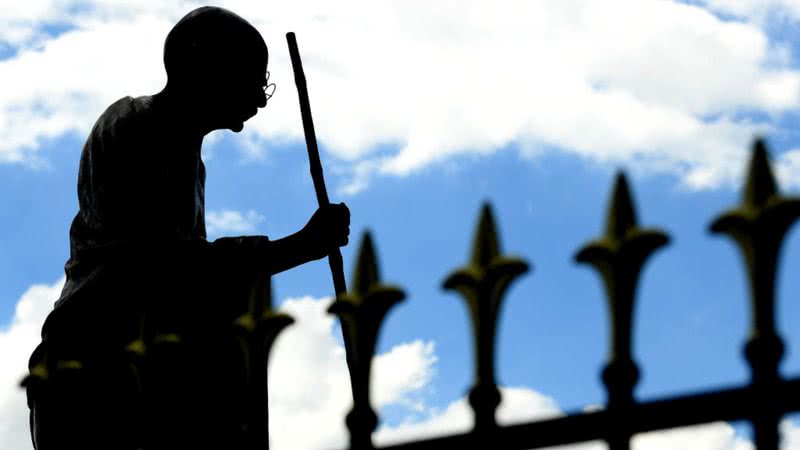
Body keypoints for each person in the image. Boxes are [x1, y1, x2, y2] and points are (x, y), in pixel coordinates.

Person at [24, 6, 350, 449]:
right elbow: (155, 262)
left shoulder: (191, 163)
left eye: (263, 85)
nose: (259, 97)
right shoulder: (134, 125)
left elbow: (189, 281)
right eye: (254, 78)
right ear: (204, 64)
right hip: (97, 370)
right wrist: (297, 247)